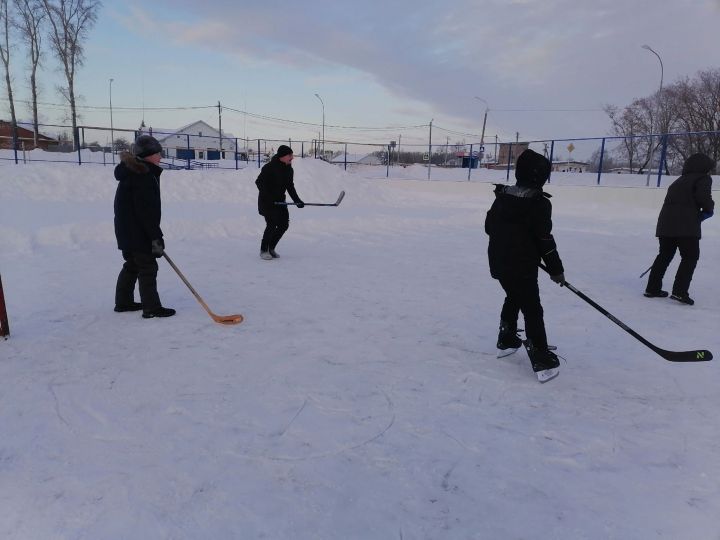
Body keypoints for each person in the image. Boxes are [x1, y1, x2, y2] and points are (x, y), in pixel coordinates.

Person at [485, 149, 565, 382]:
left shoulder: (501, 197)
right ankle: (541, 357)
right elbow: (545, 240)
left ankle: (507, 338)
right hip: (522, 267)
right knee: (532, 308)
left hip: (499, 263)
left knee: (513, 296)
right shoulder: (538, 204)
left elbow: (489, 228)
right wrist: (556, 269)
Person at [113, 134, 175, 318]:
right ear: (148, 155)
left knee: (132, 264)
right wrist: (155, 237)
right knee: (148, 267)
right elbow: (145, 211)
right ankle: (152, 308)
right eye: (158, 153)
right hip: (137, 231)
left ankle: (123, 302)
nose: (161, 157)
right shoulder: (143, 175)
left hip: (127, 230)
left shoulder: (133, 171)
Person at [644, 153, 715, 305]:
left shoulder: (678, 181)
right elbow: (703, 198)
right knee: (690, 257)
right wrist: (709, 209)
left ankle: (652, 288)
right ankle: (680, 292)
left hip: (666, 224)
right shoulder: (703, 178)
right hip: (687, 226)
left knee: (664, 255)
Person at [255, 145, 305, 260]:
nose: (292, 157)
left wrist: (297, 201)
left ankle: (271, 248)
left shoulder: (289, 169)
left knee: (283, 225)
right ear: (282, 156)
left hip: (280, 201)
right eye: (290, 155)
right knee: (271, 224)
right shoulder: (269, 167)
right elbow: (259, 182)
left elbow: (290, 187)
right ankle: (263, 250)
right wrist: (268, 197)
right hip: (267, 201)